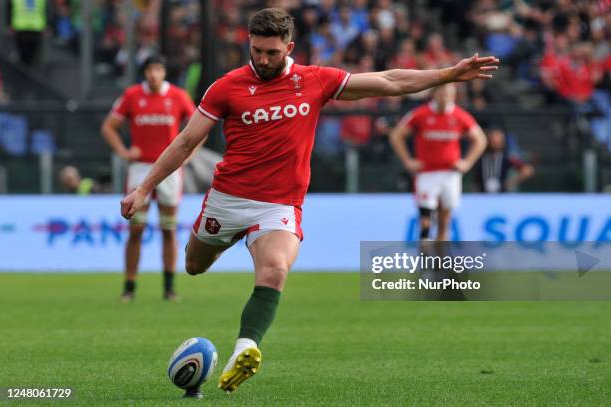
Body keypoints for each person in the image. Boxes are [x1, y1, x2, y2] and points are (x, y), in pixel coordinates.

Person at [120, 8, 499, 396]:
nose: (263, 60)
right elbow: (186, 142)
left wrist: (448, 73)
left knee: (275, 270)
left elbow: (387, 80)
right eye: (256, 51)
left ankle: (245, 349)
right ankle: (224, 246)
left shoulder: (314, 80)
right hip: (228, 199)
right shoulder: (227, 87)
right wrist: (144, 189)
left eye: (271, 52)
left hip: (279, 206)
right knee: (194, 265)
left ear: (289, 47)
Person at [101, 54, 196, 303]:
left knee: (168, 228)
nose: (154, 74)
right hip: (140, 169)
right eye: (150, 70)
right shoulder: (132, 95)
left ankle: (169, 287)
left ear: (164, 72)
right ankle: (129, 287)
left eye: (158, 69)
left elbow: (199, 127)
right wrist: (124, 152)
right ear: (144, 73)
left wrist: (189, 154)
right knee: (136, 228)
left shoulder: (178, 96)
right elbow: (109, 126)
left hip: (170, 170)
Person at [389, 83, 487, 241]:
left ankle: (440, 262)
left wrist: (467, 163)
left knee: (444, 222)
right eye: (443, 93)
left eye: (450, 93)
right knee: (426, 219)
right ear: (434, 94)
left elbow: (480, 139)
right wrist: (408, 160)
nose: (446, 97)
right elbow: (396, 135)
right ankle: (425, 259)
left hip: (450, 174)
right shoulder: (420, 114)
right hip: (427, 174)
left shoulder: (460, 116)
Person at [472, 126, 534, 193]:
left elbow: (528, 170)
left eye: (498, 139)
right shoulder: (479, 157)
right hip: (482, 196)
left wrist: (510, 183)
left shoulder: (507, 158)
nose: (495, 141)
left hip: (501, 196)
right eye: (493, 139)